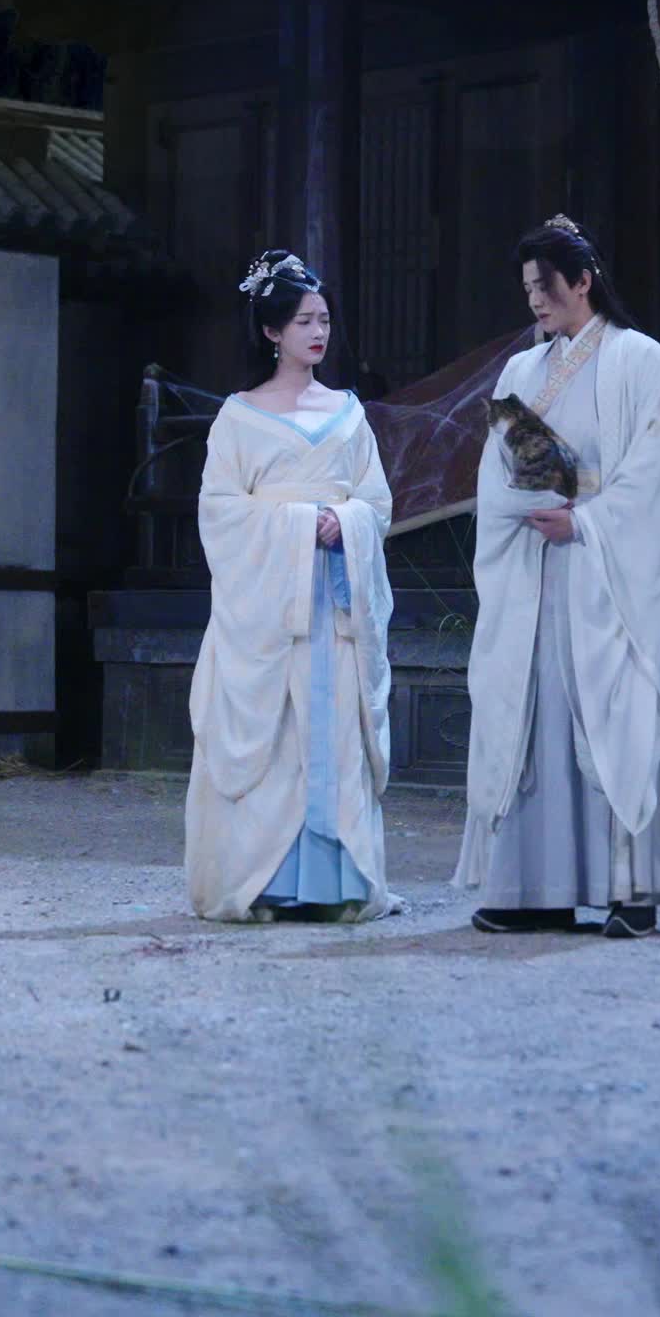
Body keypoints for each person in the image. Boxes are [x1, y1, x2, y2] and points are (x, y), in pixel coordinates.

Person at [455, 214, 660, 937]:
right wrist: (532, 507)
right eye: (527, 288)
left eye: (545, 286)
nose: (534, 300)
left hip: (604, 571)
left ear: (583, 281)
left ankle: (630, 893)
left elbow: (652, 475)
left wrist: (585, 522)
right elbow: (499, 469)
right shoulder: (522, 372)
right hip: (535, 572)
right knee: (535, 721)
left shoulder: (638, 360)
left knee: (609, 715)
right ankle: (538, 890)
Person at [184, 250, 395, 923]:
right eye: (304, 321)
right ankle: (266, 883)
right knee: (275, 738)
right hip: (269, 611)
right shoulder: (239, 416)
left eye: (324, 320)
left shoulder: (348, 413)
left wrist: (347, 521)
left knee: (333, 733)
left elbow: (377, 503)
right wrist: (303, 523)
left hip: (334, 604)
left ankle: (337, 884)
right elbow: (219, 510)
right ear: (272, 331)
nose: (318, 332)